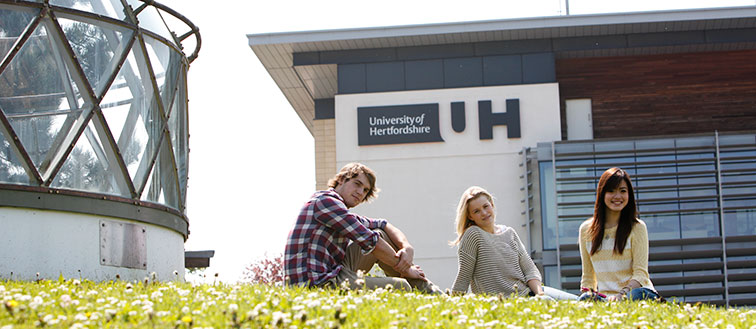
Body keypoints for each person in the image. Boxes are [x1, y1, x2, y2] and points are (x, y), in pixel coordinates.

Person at [284, 162, 440, 293]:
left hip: (334, 273)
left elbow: (383, 224)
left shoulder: (340, 210)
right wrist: (406, 269)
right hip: (316, 284)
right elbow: (370, 241)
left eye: (365, 190)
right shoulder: (325, 202)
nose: (360, 192)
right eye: (357, 184)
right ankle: (433, 296)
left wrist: (407, 247)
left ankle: (433, 294)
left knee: (380, 232)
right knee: (402, 286)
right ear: (341, 180)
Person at [450, 186, 577, 300]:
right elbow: (463, 277)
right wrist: (453, 308)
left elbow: (529, 269)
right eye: (476, 211)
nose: (484, 213)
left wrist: (539, 294)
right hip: (505, 301)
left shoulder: (509, 232)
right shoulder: (473, 234)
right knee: (548, 302)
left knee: (578, 302)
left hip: (530, 292)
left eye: (485, 206)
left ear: (492, 204)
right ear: (470, 216)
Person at [578, 167, 660, 302]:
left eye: (622, 191)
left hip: (636, 292)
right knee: (586, 299)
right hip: (607, 299)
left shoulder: (637, 228)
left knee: (636, 295)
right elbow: (588, 278)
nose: (617, 196)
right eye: (611, 191)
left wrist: (621, 295)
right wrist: (588, 295)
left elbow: (640, 275)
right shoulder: (586, 230)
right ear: (602, 193)